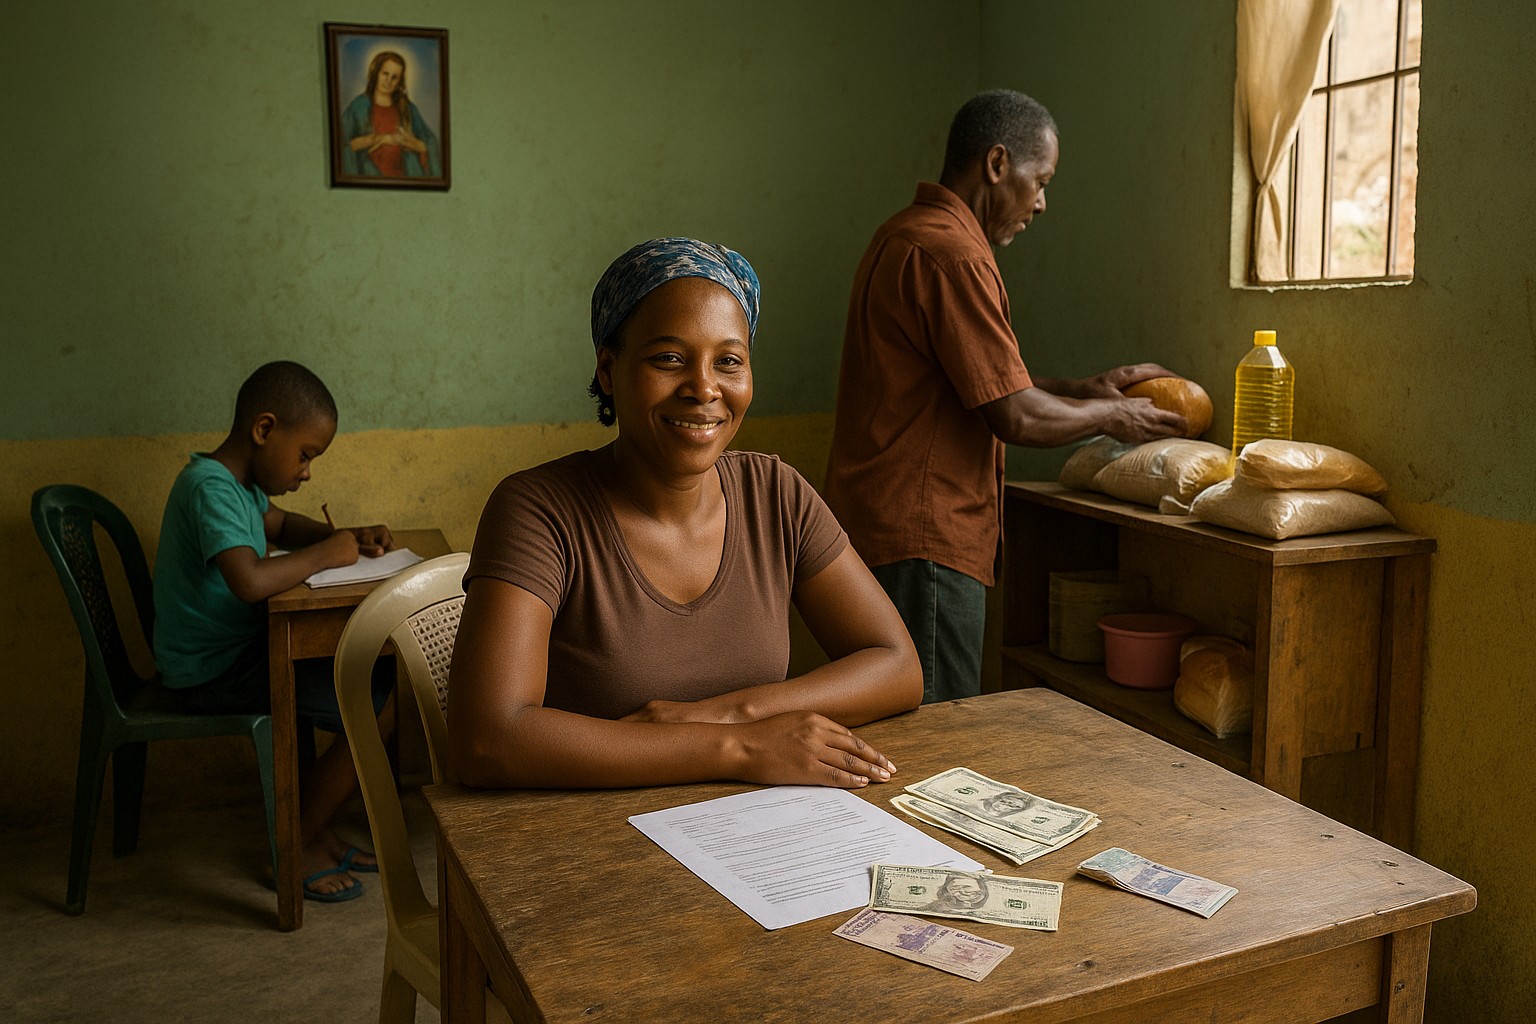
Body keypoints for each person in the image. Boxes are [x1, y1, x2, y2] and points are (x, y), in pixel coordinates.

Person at [449, 238, 923, 791]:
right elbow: (486, 739)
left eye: (729, 361)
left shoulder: (775, 494)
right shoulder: (538, 512)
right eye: (669, 358)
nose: (704, 388)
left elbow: (896, 665)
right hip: (591, 838)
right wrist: (739, 749)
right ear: (608, 369)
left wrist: (734, 714)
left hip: (755, 829)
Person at [823, 89, 1187, 705]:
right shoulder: (954, 254)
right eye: (1039, 179)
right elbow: (1013, 414)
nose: (1041, 203)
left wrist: (1079, 389)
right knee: (935, 727)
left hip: (878, 527)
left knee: (894, 728)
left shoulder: (904, 234)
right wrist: (1117, 414)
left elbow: (973, 380)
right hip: (925, 540)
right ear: (996, 165)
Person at [152, 360, 396, 902]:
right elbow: (249, 580)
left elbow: (280, 524)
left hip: (237, 655)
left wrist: (347, 536)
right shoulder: (207, 487)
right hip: (210, 673)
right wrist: (324, 554)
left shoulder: (238, 488)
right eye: (306, 454)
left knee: (373, 676)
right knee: (375, 703)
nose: (307, 471)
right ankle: (297, 839)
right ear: (264, 430)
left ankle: (313, 826)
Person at [340, 50, 442, 178]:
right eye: (385, 74)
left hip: (404, 179)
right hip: (369, 177)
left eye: (394, 77)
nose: (388, 81)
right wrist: (379, 139)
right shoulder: (358, 106)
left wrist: (416, 144)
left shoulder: (407, 108)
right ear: (376, 73)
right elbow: (340, 145)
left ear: (399, 82)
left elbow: (429, 142)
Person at [924, 873, 989, 914]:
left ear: (981, 888)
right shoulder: (937, 905)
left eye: (966, 887)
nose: (961, 891)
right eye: (954, 888)